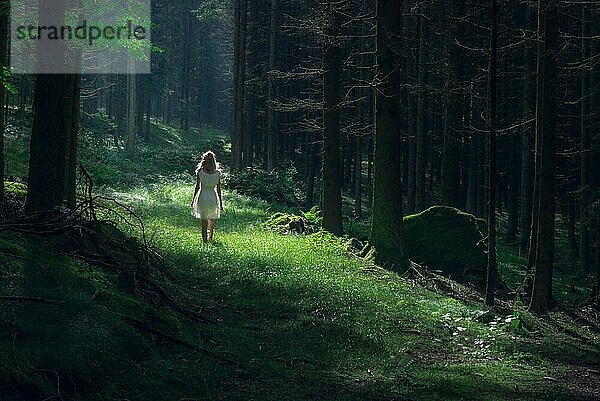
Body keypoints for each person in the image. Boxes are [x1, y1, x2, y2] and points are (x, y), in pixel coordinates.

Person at [191, 151, 223, 242]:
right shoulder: (217, 174)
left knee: (203, 219)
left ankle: (204, 239)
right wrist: (220, 203)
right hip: (213, 196)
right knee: (211, 218)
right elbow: (219, 189)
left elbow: (197, 187)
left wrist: (193, 200)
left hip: (202, 196)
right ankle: (210, 238)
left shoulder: (200, 172)